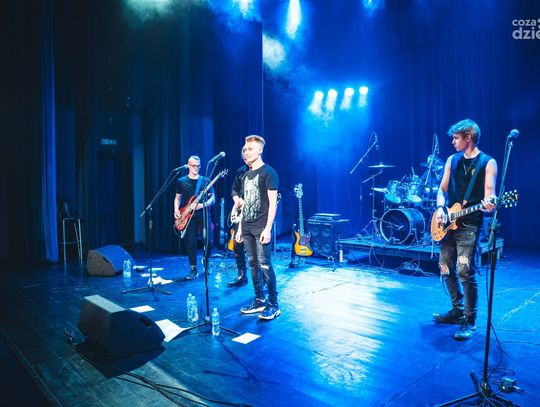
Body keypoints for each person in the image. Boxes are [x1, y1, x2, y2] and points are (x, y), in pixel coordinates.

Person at [433, 119, 497, 340]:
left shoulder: (487, 163)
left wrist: (490, 203)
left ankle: (469, 320)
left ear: (468, 138)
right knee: (444, 267)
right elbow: (442, 190)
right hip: (448, 222)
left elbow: (490, 194)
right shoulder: (452, 160)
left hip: (469, 224)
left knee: (464, 271)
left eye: (456, 138)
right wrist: (440, 208)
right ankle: (456, 310)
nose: (452, 142)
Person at [235, 135, 280, 320]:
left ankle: (273, 304)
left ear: (260, 150)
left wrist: (268, 228)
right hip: (246, 225)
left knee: (264, 264)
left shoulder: (269, 173)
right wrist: (240, 228)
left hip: (261, 226)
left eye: (250, 149)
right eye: (245, 149)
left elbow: (273, 203)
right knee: (252, 264)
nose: (246, 152)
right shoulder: (245, 175)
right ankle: (259, 300)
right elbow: (245, 204)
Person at [174, 155, 215, 280]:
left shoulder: (205, 180)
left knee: (209, 241)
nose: (196, 168)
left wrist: (202, 205)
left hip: (203, 213)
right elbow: (177, 198)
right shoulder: (181, 181)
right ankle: (193, 269)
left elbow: (213, 199)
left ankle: (206, 261)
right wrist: (176, 210)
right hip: (188, 215)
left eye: (198, 166)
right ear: (188, 166)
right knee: (191, 242)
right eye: (193, 166)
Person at [227, 150, 249, 287]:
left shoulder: (262, 171)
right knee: (237, 244)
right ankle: (242, 275)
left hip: (254, 215)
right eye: (244, 157)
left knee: (257, 249)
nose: (246, 158)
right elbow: (234, 189)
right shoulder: (241, 171)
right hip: (240, 213)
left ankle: (264, 280)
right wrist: (236, 200)